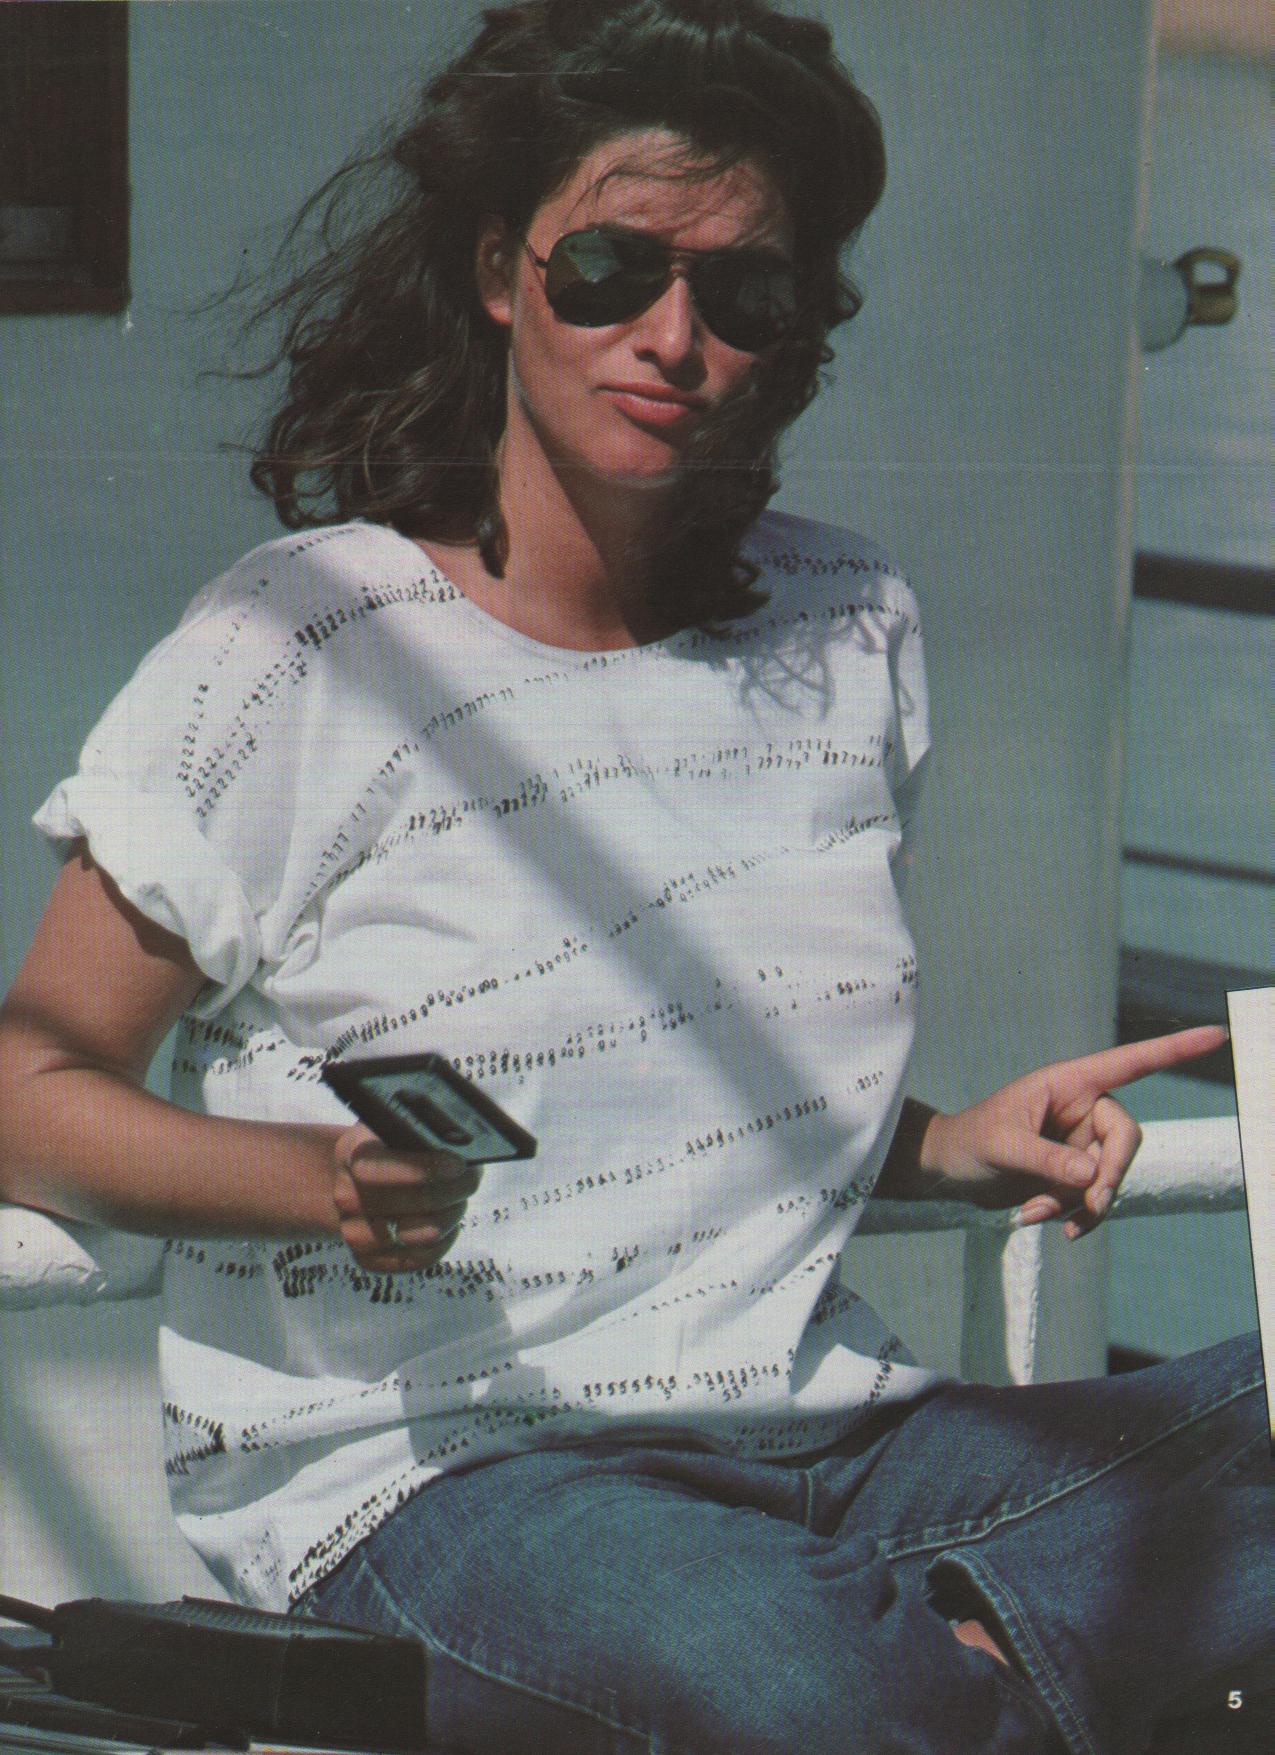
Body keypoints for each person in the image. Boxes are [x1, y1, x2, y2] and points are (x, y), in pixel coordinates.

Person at [0, 4, 1267, 1751]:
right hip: (456, 1484)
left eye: (745, 293)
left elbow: (661, 1083)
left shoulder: (850, 626)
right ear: (501, 273)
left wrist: (940, 1147)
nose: (673, 336)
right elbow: (29, 1088)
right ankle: (976, 1657)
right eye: (610, 270)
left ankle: (964, 1656)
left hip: (837, 1437)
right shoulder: (304, 644)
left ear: (798, 329)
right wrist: (319, 1182)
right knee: (821, 1683)